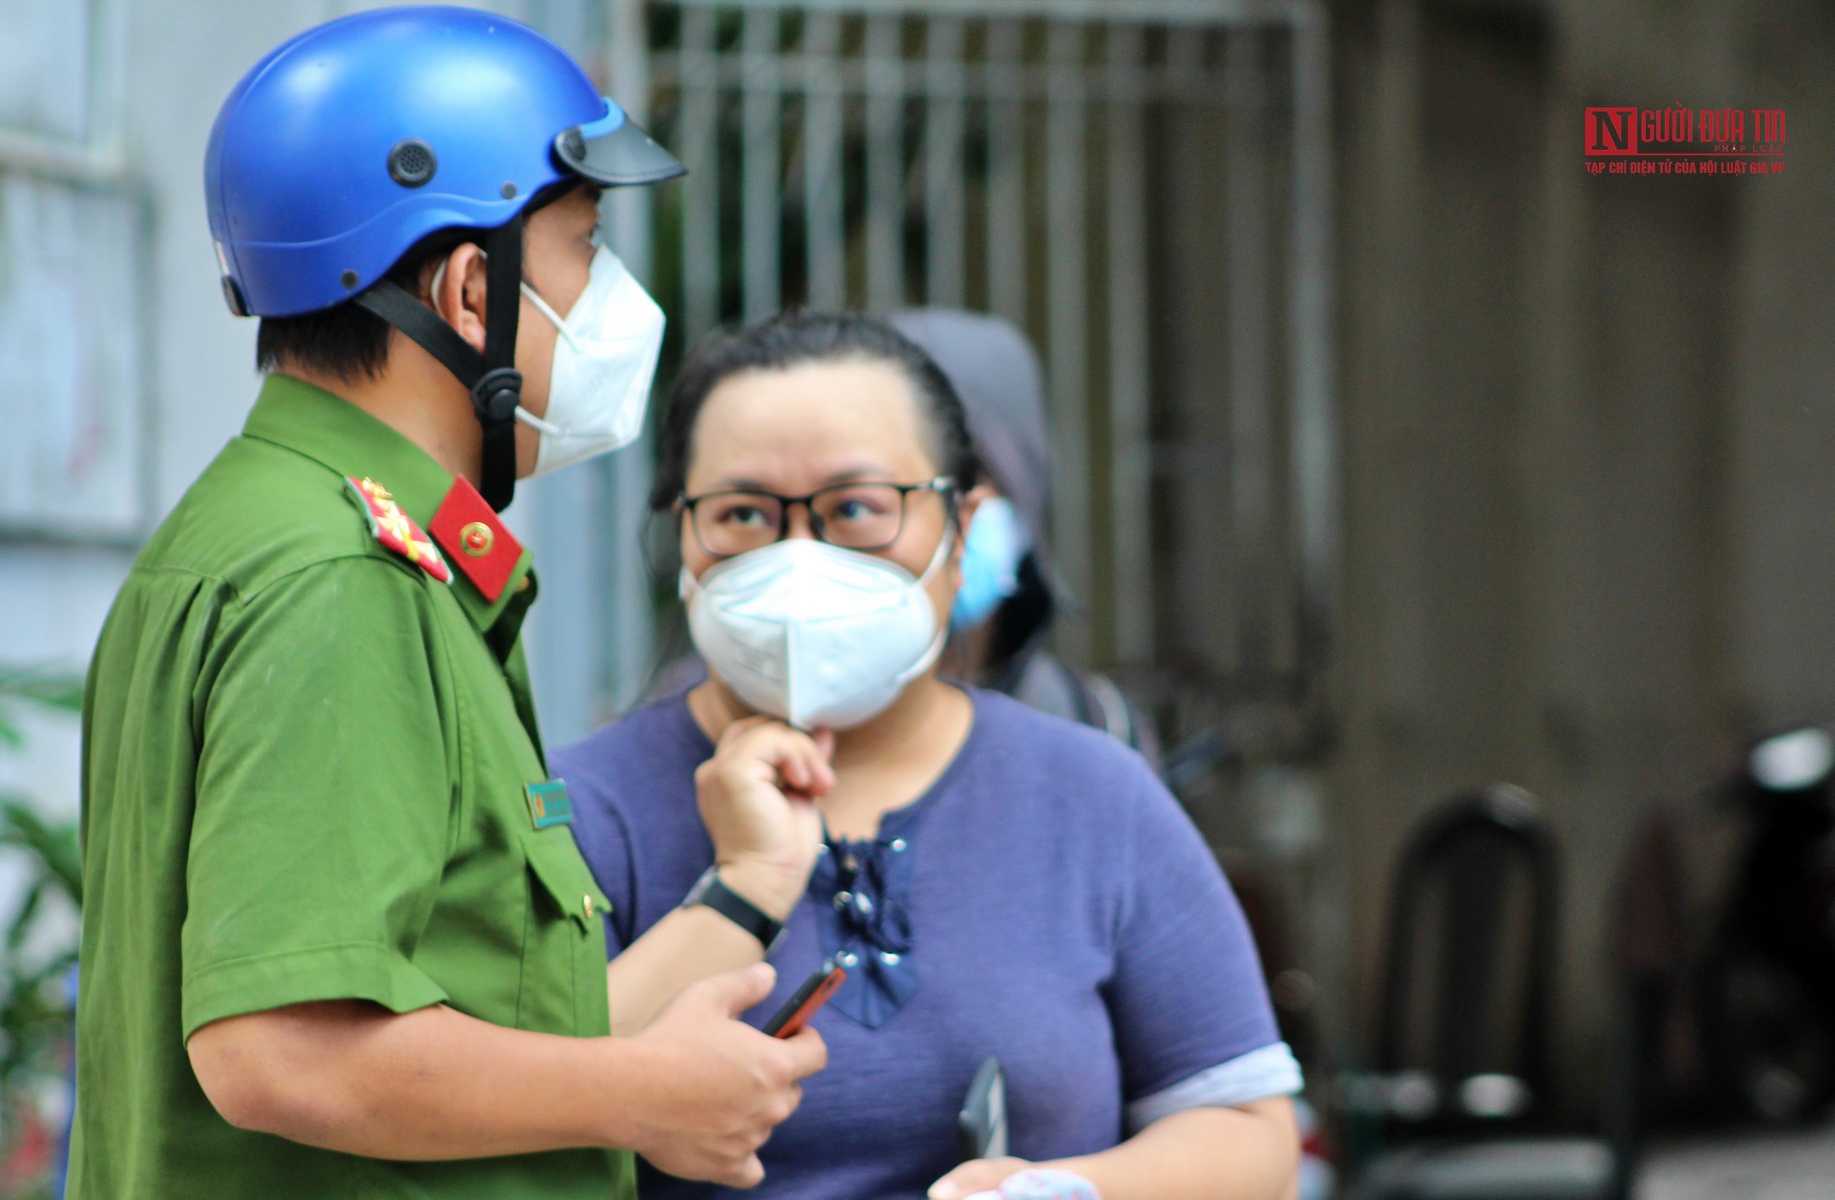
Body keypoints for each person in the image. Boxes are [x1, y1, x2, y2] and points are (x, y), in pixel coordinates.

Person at [73, 10, 822, 1199]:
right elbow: (280, 1053)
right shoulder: (342, 580)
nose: (611, 296)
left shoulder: (276, 532)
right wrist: (648, 1100)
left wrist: (747, 888)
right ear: (474, 290)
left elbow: (478, 1029)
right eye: (583, 244)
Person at [560, 313, 1303, 1200]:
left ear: (965, 529)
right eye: (744, 513)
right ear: (681, 538)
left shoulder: (1091, 794)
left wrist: (1064, 1191)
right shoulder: (586, 807)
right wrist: (740, 887)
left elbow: (1249, 1133)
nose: (801, 558)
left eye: (858, 509)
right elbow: (515, 1111)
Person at [887, 309, 1157, 764]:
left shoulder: (1092, 727)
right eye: (899, 480)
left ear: (1022, 485)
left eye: (966, 474)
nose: (945, 509)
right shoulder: (774, 730)